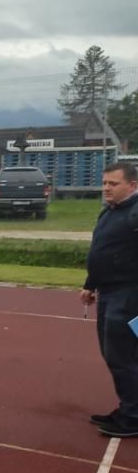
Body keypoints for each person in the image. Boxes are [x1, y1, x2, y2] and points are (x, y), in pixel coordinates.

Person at [80, 162, 138, 438]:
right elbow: (100, 250)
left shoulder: (135, 214)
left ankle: (134, 416)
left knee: (123, 355)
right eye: (104, 183)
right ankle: (129, 406)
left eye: (113, 184)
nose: (106, 188)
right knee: (111, 352)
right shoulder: (109, 212)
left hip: (129, 295)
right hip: (107, 292)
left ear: (132, 185)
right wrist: (90, 284)